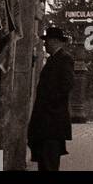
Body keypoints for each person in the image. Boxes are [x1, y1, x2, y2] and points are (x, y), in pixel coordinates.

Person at [27, 27, 74, 171]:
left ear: (54, 41)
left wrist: (48, 107)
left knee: (49, 163)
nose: (45, 44)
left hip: (51, 122)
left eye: (46, 41)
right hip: (48, 123)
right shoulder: (55, 59)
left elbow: (65, 87)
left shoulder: (64, 59)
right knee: (45, 161)